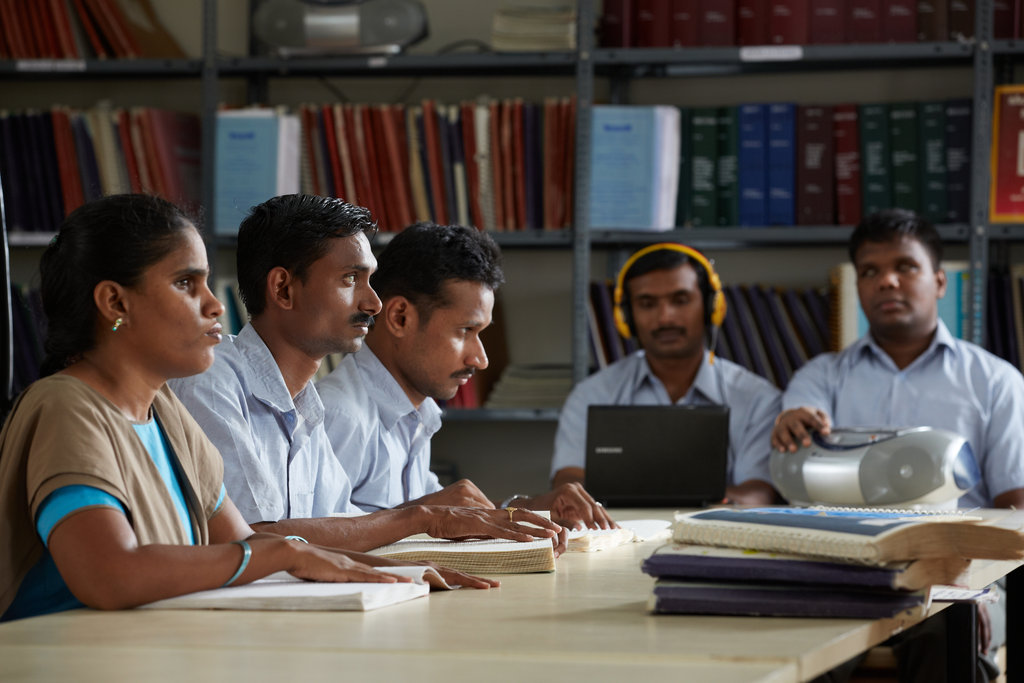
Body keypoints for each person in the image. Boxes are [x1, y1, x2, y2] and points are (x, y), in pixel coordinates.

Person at [0, 194, 404, 622]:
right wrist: (286, 554)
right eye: (185, 284)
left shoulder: (165, 411)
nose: (215, 306)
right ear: (116, 304)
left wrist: (406, 575)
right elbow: (111, 576)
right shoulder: (66, 406)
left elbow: (241, 542)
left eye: (207, 283)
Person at [169, 195, 564, 564]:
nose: (373, 303)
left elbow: (344, 530)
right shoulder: (211, 381)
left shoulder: (306, 408)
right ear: (283, 289)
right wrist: (422, 518)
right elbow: (246, 543)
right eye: (349, 279)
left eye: (369, 279)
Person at [772, 208, 1024, 682]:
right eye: (870, 271)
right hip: (842, 568)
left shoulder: (995, 382)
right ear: (858, 287)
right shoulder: (821, 377)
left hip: (957, 570)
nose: (886, 281)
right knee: (796, 649)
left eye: (904, 267)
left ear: (939, 281)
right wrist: (792, 425)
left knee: (948, 640)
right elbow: (797, 440)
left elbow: (1018, 506)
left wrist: (974, 574)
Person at [317, 222, 615, 529]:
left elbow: (440, 511)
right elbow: (307, 541)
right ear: (399, 317)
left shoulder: (413, 414)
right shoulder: (340, 415)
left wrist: (527, 506)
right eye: (465, 331)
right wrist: (425, 515)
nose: (481, 359)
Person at [549, 243, 782, 505]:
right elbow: (569, 484)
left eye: (680, 300)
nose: (665, 318)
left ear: (710, 307)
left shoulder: (759, 398)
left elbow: (759, 494)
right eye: (647, 304)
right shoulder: (591, 394)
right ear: (626, 317)